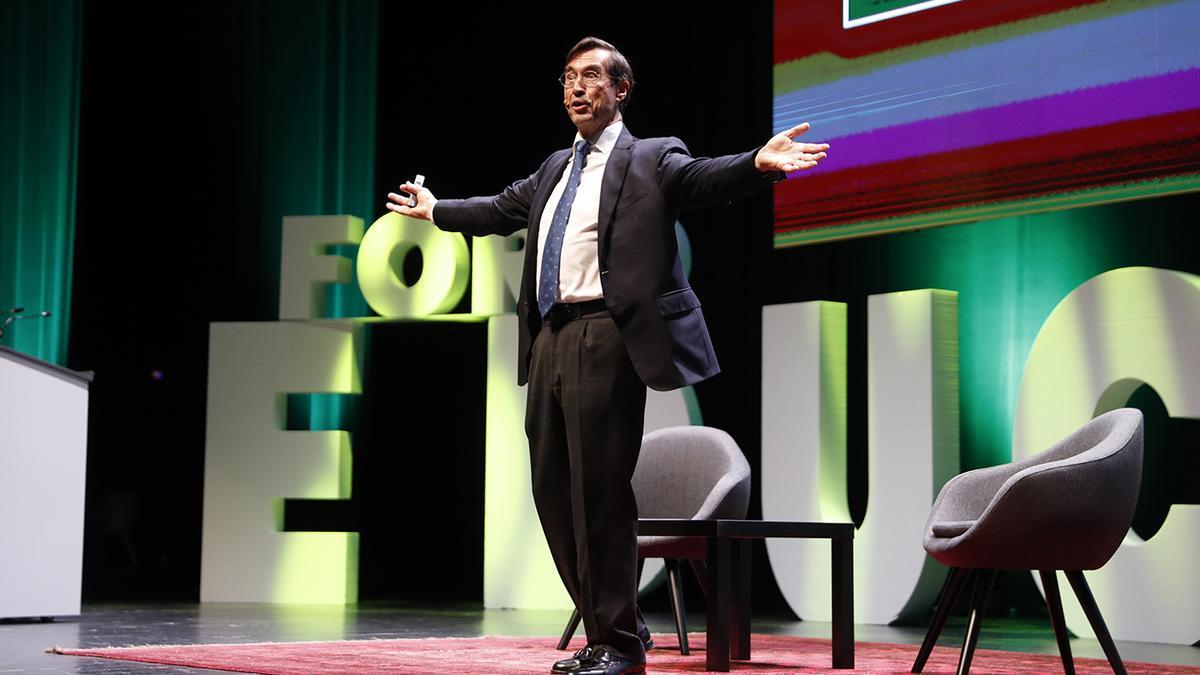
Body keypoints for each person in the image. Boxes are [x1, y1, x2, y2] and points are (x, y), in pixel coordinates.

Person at [387, 36, 828, 675]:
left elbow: (701, 177)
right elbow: (497, 209)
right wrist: (437, 211)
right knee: (552, 490)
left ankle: (616, 646)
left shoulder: (650, 157)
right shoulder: (552, 170)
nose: (576, 87)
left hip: (606, 335)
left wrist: (755, 163)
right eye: (568, 77)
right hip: (549, 337)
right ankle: (621, 625)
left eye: (591, 76)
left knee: (598, 490)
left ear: (620, 90)